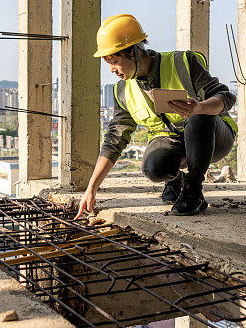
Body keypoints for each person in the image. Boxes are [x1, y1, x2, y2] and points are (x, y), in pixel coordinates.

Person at [75, 14, 237, 219]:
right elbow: (114, 141)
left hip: (213, 137)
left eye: (115, 61)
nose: (112, 70)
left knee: (198, 117)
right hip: (173, 141)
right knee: (154, 168)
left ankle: (193, 190)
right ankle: (176, 179)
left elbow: (226, 97)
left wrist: (200, 107)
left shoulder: (182, 64)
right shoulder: (123, 91)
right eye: (108, 63)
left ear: (134, 51)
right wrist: (91, 189)